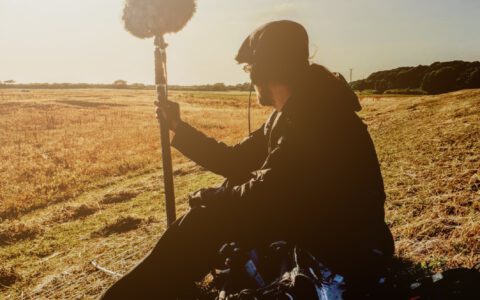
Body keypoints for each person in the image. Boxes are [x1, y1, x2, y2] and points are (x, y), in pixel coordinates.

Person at [101, 20, 394, 299]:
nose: (249, 78)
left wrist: (211, 198)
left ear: (263, 72)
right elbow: (236, 159)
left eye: (249, 69)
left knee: (206, 220)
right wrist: (178, 127)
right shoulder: (294, 111)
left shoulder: (316, 117)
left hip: (345, 251)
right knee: (218, 205)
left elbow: (265, 194)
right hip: (325, 229)